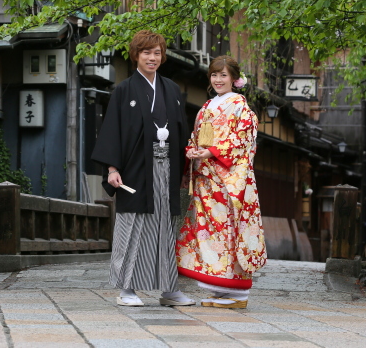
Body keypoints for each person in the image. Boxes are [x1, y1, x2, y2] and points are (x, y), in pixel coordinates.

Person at [92, 30, 195, 307]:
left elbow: (182, 131)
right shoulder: (124, 89)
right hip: (136, 168)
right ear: (136, 55)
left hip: (167, 167)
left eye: (157, 53)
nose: (152, 58)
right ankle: (127, 289)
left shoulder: (171, 89)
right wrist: (112, 168)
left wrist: (187, 166)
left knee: (166, 226)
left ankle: (170, 290)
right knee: (133, 225)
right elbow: (112, 129)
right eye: (147, 52)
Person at [176, 55, 267, 308]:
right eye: (214, 75)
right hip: (207, 179)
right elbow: (197, 137)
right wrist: (193, 152)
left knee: (229, 232)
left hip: (228, 182)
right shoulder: (207, 106)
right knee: (207, 234)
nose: (218, 80)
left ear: (234, 79)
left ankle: (236, 292)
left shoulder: (241, 108)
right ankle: (219, 288)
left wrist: (211, 152)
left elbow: (241, 143)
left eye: (223, 75)